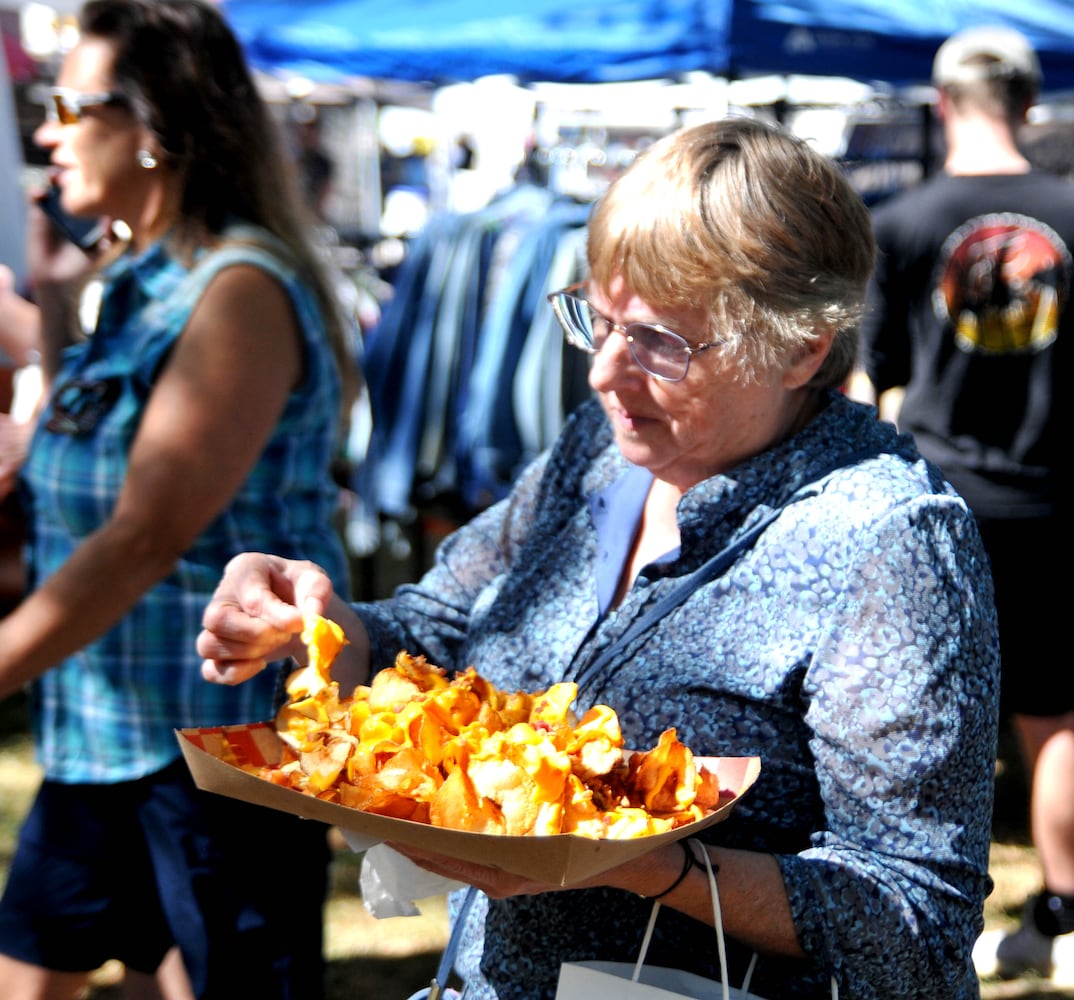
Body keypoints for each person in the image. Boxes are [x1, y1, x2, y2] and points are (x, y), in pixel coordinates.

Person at [198, 116, 1001, 1000]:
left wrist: (639, 864)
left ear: (802, 345)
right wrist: (321, 626)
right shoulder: (603, 452)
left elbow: (919, 920)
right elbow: (440, 631)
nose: (603, 373)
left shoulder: (887, 536)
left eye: (661, 340)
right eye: (598, 319)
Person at [0, 1, 355, 997]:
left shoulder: (235, 290)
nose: (46, 132)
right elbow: (110, 461)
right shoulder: (142, 280)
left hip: (216, 758)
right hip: (102, 739)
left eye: (69, 104)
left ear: (155, 128)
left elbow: (147, 533)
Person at [853, 25, 1074, 982]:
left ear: (942, 106)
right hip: (1057, 499)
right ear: (1031, 104)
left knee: (928, 718)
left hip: (941, 504)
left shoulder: (902, 222)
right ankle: (1066, 922)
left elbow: (877, 377)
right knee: (1056, 718)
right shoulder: (1072, 212)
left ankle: (918, 922)